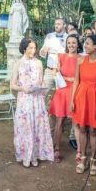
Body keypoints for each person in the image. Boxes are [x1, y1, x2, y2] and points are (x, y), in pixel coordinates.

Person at [11, 38, 54, 167]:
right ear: (24, 48)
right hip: (24, 99)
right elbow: (12, 85)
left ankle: (34, 155)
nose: (33, 50)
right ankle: (25, 155)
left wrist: (43, 88)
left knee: (37, 127)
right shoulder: (18, 63)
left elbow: (42, 82)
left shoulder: (39, 63)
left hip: (37, 100)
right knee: (25, 127)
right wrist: (22, 88)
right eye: (30, 48)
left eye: (34, 48)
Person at [71, 35, 96, 175]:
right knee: (82, 128)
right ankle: (83, 158)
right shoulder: (80, 60)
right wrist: (72, 100)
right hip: (81, 96)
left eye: (87, 44)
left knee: (93, 130)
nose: (84, 46)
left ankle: (93, 159)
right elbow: (76, 81)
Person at [49, 34, 81, 163]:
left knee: (76, 122)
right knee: (59, 121)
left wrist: (74, 80)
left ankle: (80, 150)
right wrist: (57, 74)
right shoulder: (60, 57)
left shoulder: (82, 58)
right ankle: (56, 148)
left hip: (75, 91)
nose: (71, 45)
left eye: (74, 43)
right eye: (69, 43)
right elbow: (56, 72)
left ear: (78, 44)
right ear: (66, 44)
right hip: (62, 91)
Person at [40, 17, 68, 93]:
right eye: (55, 24)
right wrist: (43, 51)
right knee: (43, 93)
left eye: (59, 24)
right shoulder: (49, 36)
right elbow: (42, 54)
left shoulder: (68, 37)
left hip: (62, 72)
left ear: (64, 25)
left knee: (62, 94)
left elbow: (68, 54)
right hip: (49, 70)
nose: (56, 26)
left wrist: (54, 51)